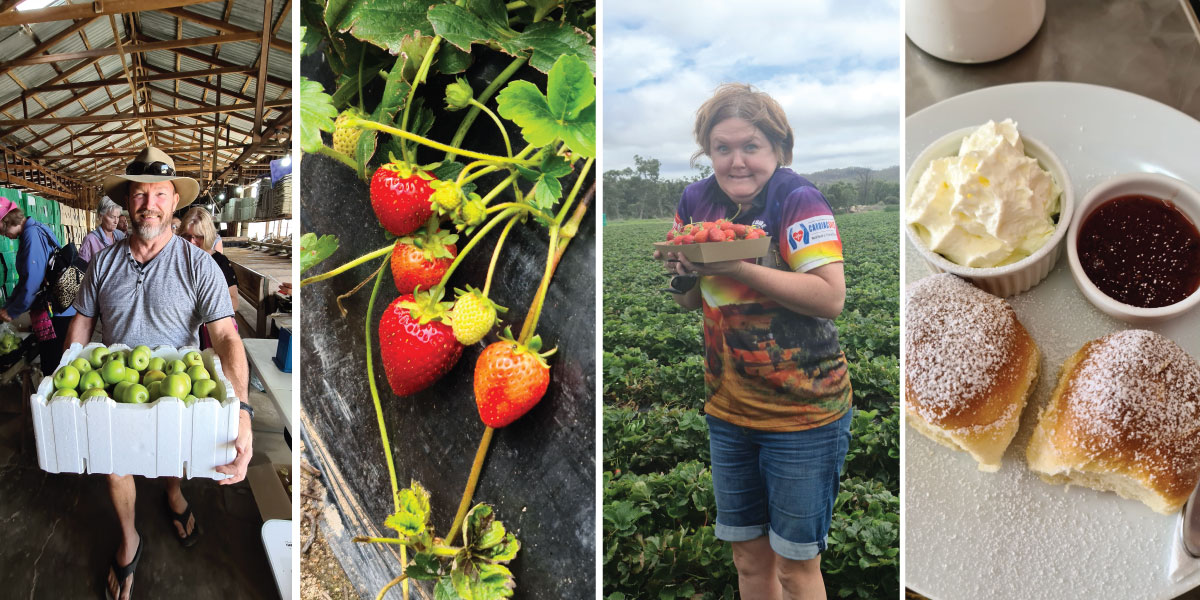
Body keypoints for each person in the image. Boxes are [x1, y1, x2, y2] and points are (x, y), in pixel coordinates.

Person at [655, 83, 852, 600]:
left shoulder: (798, 199)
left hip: (803, 413)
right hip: (728, 409)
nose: (737, 161)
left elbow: (830, 297)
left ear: (778, 150)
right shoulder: (696, 201)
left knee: (795, 567)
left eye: (751, 147)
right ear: (708, 151)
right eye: (723, 148)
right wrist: (683, 273)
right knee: (747, 559)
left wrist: (736, 264)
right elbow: (690, 302)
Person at [64, 147, 252, 600]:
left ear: (174, 202)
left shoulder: (198, 265)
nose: (150, 203)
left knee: (174, 454)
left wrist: (241, 409)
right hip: (113, 388)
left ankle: (172, 494)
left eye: (160, 194)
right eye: (140, 193)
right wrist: (65, 375)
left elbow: (225, 336)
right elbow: (84, 320)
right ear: (128, 202)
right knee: (114, 468)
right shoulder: (103, 264)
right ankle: (129, 536)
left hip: (179, 393)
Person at [0, 199, 76, 375]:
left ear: (7, 222)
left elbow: (32, 281)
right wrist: (9, 305)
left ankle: (55, 401)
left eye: (2, 231)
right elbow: (26, 277)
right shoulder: (37, 228)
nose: (4, 236)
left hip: (56, 312)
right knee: (57, 362)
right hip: (61, 307)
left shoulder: (31, 235)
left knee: (54, 367)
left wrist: (13, 311)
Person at [178, 206, 238, 349]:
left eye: (198, 236)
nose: (191, 242)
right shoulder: (176, 259)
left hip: (207, 330)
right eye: (186, 236)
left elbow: (234, 301)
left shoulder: (219, 262)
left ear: (208, 235)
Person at [79, 195, 126, 263]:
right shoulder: (90, 240)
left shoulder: (121, 237)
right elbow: (81, 269)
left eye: (118, 217)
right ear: (101, 216)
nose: (116, 221)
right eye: (112, 217)